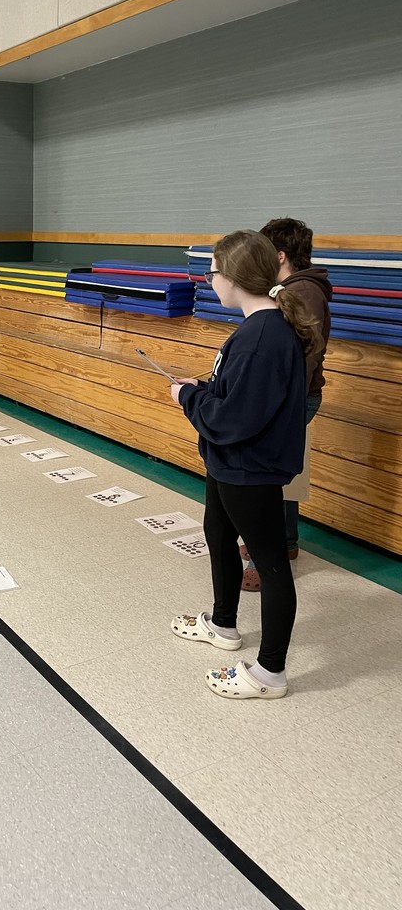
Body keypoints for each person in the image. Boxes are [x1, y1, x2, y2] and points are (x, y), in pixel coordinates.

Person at [169, 231, 324, 700]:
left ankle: (269, 673)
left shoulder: (263, 335)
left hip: (248, 466)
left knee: (272, 564)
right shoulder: (257, 328)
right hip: (230, 462)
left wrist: (187, 396)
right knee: (217, 534)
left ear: (233, 278)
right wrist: (203, 387)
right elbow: (239, 396)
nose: (209, 280)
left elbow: (236, 419)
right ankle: (222, 623)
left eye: (212, 272)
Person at [240, 218, 332, 590]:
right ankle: (287, 542)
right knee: (282, 477)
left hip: (294, 398)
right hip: (290, 396)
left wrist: (278, 401)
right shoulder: (288, 288)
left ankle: (271, 557)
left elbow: (303, 355)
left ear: (279, 255)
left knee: (268, 479)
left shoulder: (304, 292)